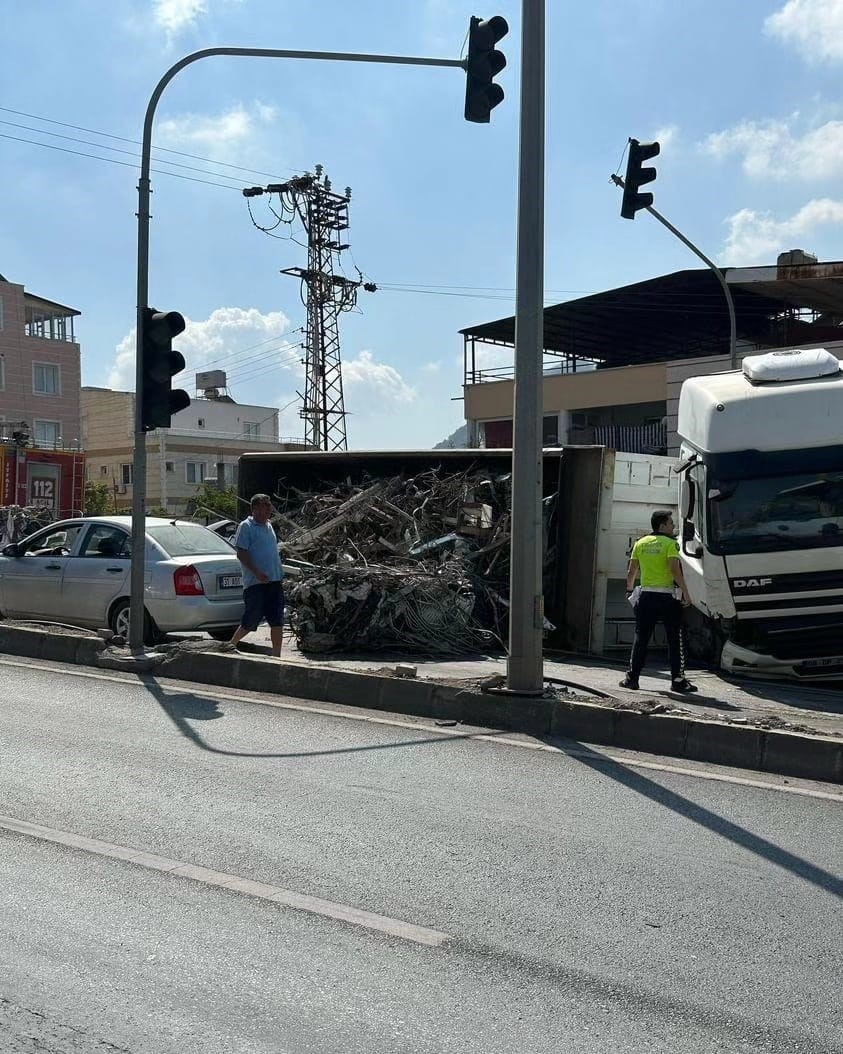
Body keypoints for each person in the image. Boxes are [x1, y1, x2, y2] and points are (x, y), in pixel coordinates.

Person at [620, 509, 697, 693]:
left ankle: (632, 679)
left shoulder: (641, 543)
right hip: (668, 598)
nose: (673, 526)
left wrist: (629, 589)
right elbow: (674, 570)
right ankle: (678, 681)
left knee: (641, 638)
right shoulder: (671, 544)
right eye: (671, 523)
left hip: (646, 597)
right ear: (662, 525)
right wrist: (686, 593)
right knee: (674, 639)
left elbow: (631, 571)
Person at [228, 493, 284, 657]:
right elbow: (241, 553)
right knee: (251, 618)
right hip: (256, 583)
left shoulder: (269, 526)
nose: (268, 510)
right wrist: (257, 572)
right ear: (254, 509)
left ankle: (276, 655)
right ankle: (231, 645)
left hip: (274, 581)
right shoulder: (246, 526)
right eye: (264, 506)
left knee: (277, 619)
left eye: (268, 506)